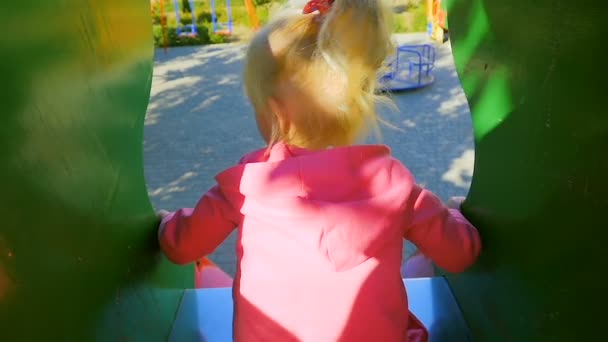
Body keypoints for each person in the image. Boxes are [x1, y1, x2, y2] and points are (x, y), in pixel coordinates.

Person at [157, 0, 481, 340]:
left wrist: (167, 223)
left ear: (275, 114)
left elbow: (181, 246)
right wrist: (457, 215)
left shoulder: (247, 184)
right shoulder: (393, 184)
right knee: (421, 261)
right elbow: (460, 255)